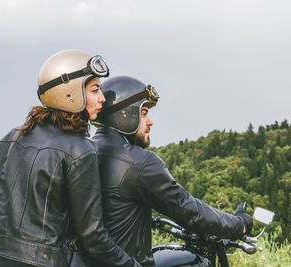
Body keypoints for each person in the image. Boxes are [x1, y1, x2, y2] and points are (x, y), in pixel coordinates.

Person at [0, 51, 140, 267]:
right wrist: (131, 264)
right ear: (70, 94)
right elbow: (93, 236)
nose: (102, 98)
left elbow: (0, 211)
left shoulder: (11, 137)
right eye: (95, 90)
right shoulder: (80, 149)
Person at [88, 75, 253, 266]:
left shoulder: (84, 151)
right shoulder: (139, 162)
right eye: (144, 113)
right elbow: (192, 213)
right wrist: (240, 224)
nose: (150, 122)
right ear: (125, 114)